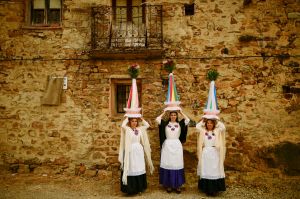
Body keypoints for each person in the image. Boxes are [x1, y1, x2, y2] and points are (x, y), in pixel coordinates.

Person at [155, 110, 190, 193]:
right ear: (169, 116)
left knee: (177, 164)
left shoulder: (180, 124)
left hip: (177, 145)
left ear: (176, 116)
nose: (173, 116)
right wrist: (164, 112)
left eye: (175, 115)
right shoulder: (165, 124)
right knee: (168, 164)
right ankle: (169, 185)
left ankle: (178, 185)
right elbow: (157, 119)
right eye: (172, 115)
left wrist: (181, 112)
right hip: (167, 145)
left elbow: (188, 120)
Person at [118, 117, 154, 195]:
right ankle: (131, 189)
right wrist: (127, 117)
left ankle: (139, 188)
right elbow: (123, 125)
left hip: (139, 150)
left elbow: (147, 125)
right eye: (132, 121)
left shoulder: (140, 129)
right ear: (130, 122)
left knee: (139, 167)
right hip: (130, 151)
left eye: (135, 121)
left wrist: (141, 118)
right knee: (131, 167)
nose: (134, 122)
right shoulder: (127, 129)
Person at [196, 118, 226, 196]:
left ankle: (214, 189)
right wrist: (203, 119)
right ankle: (207, 189)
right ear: (206, 124)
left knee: (214, 170)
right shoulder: (203, 131)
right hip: (205, 152)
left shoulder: (217, 131)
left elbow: (223, 127)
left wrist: (215, 118)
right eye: (208, 123)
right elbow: (197, 126)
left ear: (214, 124)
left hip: (215, 152)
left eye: (211, 123)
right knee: (206, 169)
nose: (209, 124)